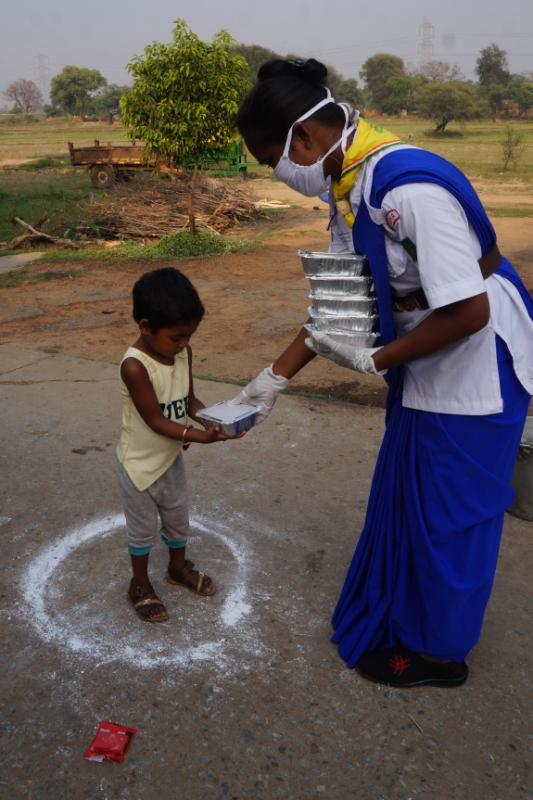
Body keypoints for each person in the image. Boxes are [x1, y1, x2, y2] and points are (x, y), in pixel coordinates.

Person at [231, 58, 533, 686]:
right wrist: (270, 383)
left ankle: (439, 654)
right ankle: (411, 614)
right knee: (417, 498)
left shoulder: (405, 191)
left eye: (272, 161)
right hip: (430, 353)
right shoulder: (353, 187)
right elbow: (340, 305)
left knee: (453, 516)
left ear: (303, 140)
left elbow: (469, 311)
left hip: (476, 364)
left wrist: (375, 359)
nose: (281, 177)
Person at [117, 267, 241, 622]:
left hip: (169, 457)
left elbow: (188, 401)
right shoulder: (135, 366)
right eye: (176, 337)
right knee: (141, 531)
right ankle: (139, 584)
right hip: (139, 465)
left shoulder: (182, 353)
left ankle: (176, 569)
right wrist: (198, 436)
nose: (183, 344)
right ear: (145, 327)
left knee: (177, 518)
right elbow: (155, 420)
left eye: (189, 336)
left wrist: (215, 421)